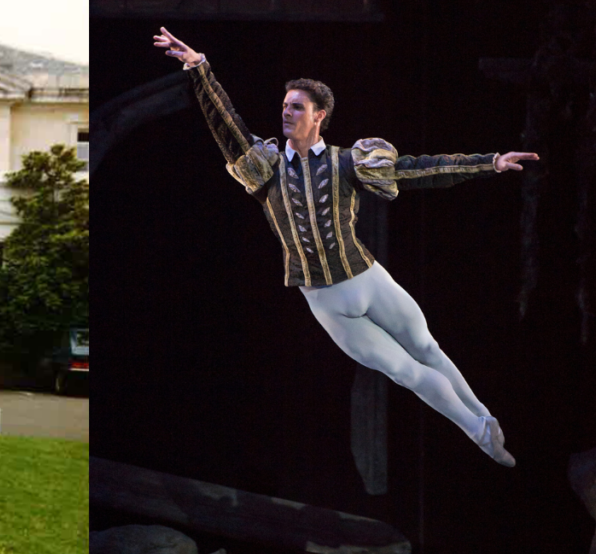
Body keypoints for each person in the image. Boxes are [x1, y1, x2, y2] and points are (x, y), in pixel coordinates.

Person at [153, 26, 539, 467]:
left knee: (428, 349)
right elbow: (227, 128)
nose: (286, 113)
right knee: (405, 371)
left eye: (296, 107)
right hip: (325, 299)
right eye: (284, 106)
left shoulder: (349, 161)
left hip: (368, 279)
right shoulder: (266, 170)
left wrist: (488, 163)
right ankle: (479, 434)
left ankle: (485, 418)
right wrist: (199, 68)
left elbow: (417, 171)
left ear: (319, 115)